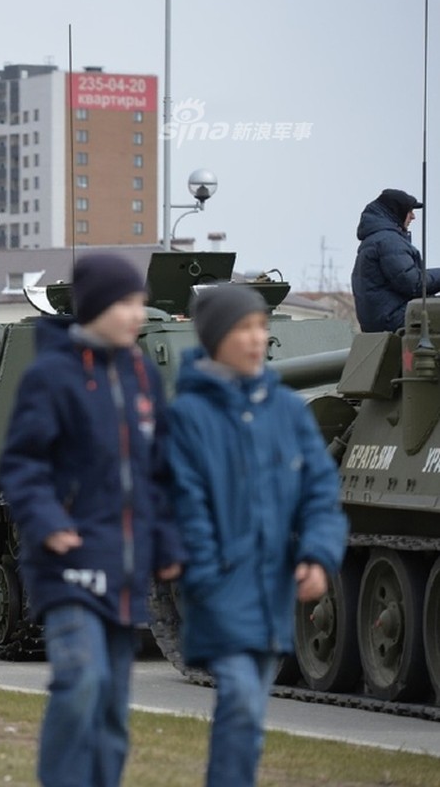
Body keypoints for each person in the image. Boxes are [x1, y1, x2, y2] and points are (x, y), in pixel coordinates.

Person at [0, 253, 184, 787]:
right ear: (98, 306)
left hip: (124, 568)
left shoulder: (143, 375)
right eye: (127, 303)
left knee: (111, 712)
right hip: (69, 563)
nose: (137, 315)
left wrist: (169, 547)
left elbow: (161, 472)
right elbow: (22, 463)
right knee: (81, 683)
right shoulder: (51, 376)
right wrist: (49, 520)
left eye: (140, 304)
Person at [166, 284, 348, 787]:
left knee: (248, 713)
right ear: (216, 336)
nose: (255, 339)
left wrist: (317, 554)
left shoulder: (287, 411)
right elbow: (183, 503)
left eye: (261, 328)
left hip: (274, 590)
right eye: (243, 328)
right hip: (219, 588)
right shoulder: (188, 417)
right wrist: (206, 572)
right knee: (243, 703)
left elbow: (319, 491)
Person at [352, 187, 437, 332]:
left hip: (384, 318)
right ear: (396, 211)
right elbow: (414, 284)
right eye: (409, 211)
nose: (413, 217)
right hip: (394, 318)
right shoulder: (388, 241)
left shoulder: (378, 239)